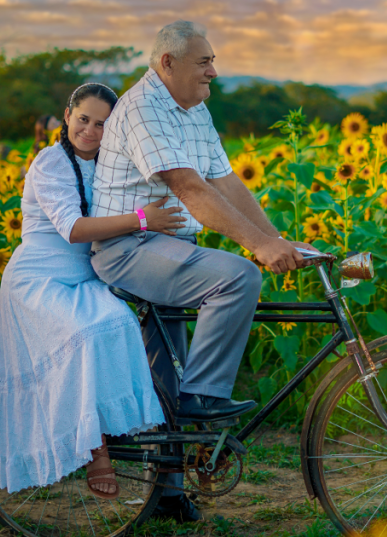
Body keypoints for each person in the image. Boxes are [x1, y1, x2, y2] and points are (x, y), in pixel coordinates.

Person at [90, 21, 316, 521]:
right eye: (204, 61)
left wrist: (273, 237)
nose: (214, 70)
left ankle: (165, 493)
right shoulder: (146, 107)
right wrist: (255, 248)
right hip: (129, 247)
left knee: (165, 372)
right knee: (237, 276)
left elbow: (224, 181)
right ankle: (205, 397)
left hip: (168, 247)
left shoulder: (193, 110)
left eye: (213, 60)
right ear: (167, 63)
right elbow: (188, 187)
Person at [0, 83, 188, 499]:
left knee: (118, 322)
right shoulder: (50, 164)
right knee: (89, 332)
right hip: (41, 280)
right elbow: (73, 228)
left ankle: (136, 439)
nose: (91, 131)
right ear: (67, 116)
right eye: (84, 119)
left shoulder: (111, 165)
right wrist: (141, 219)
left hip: (88, 277)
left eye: (102, 124)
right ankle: (96, 447)